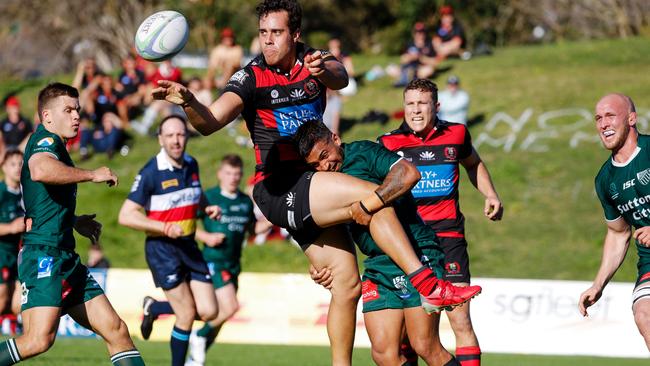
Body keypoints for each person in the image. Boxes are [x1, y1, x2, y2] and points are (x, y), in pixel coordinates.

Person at [151, 1, 480, 364]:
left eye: (276, 33)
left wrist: (324, 69)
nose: (268, 41)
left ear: (295, 35)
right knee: (374, 199)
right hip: (279, 186)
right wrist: (189, 101)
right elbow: (210, 122)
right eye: (263, 33)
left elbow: (341, 77)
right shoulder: (251, 78)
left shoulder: (313, 60)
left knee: (346, 283)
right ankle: (427, 283)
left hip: (311, 186)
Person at [0, 82, 144, 365]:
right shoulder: (46, 141)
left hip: (64, 254)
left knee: (117, 331)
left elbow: (42, 198)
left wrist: (74, 221)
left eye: (77, 110)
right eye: (68, 110)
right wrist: (92, 174)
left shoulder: (58, 147)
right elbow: (40, 169)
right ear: (47, 116)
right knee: (37, 340)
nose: (77, 116)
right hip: (44, 254)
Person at [296, 120, 462, 366]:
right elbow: (329, 231)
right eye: (315, 164)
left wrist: (368, 204)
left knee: (424, 345)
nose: (324, 166)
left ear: (336, 139)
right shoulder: (323, 183)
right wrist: (319, 264)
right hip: (378, 265)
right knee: (383, 354)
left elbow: (408, 173)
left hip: (415, 252)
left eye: (324, 155)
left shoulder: (363, 153)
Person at [378, 78, 503, 366]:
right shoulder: (387, 143)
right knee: (410, 335)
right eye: (410, 103)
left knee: (461, 322)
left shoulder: (457, 134)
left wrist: (490, 193)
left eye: (422, 103)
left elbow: (473, 163)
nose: (416, 110)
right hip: (408, 242)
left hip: (448, 238)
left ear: (437, 106)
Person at [118, 115, 220, 366]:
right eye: (171, 135)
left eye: (181, 134)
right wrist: (163, 227)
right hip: (162, 249)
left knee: (209, 311)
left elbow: (196, 192)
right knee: (185, 313)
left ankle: (155, 308)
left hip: (188, 245)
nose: (176, 140)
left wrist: (206, 208)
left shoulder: (191, 164)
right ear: (161, 139)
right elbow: (126, 216)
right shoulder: (151, 173)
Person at [580, 93, 650, 350]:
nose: (603, 124)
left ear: (632, 118)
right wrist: (598, 284)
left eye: (610, 115)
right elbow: (619, 233)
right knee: (645, 314)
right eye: (598, 118)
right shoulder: (605, 179)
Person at [186, 154, 270, 366]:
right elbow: (187, 224)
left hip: (234, 264)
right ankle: (198, 336)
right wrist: (207, 237)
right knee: (230, 307)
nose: (233, 178)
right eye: (229, 173)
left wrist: (273, 220)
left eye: (237, 174)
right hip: (213, 261)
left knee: (220, 318)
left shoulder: (243, 201)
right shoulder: (210, 197)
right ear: (220, 174)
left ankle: (195, 360)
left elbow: (252, 229)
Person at [0, 150, 25, 319]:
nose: (17, 168)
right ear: (4, 168)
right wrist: (10, 228)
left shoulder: (26, 193)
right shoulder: (1, 192)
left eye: (21, 164)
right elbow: (13, 226)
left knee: (19, 303)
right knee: (2, 299)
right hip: (1, 252)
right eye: (13, 164)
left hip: (19, 254)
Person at [322, 36, 356, 135]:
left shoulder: (344, 56)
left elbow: (351, 72)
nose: (335, 48)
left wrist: (339, 70)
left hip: (343, 80)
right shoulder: (324, 56)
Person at [394, 22, 437, 88]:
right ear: (414, 33)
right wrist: (411, 57)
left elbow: (434, 62)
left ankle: (410, 79)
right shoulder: (409, 44)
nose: (420, 34)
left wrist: (420, 57)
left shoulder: (429, 44)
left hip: (421, 68)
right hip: (409, 67)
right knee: (391, 68)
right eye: (417, 32)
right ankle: (406, 78)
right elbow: (402, 59)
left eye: (422, 32)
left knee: (429, 70)